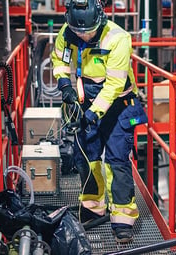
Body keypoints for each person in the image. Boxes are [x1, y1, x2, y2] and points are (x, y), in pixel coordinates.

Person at [51, 0, 147, 243]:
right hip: (87, 103)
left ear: (100, 20)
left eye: (88, 31)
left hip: (118, 106)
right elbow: (60, 60)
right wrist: (65, 86)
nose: (83, 35)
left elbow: (114, 85)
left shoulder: (118, 38)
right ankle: (93, 209)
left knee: (117, 162)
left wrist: (93, 114)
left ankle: (123, 220)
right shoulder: (68, 31)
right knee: (88, 159)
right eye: (78, 31)